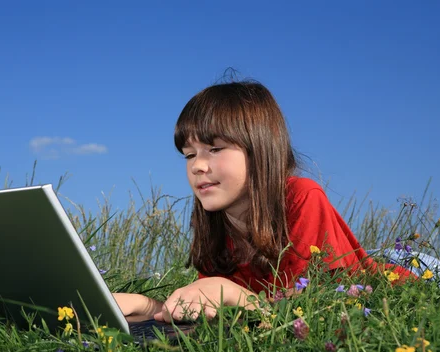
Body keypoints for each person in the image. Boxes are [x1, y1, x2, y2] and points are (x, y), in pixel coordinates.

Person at [113, 80, 415, 323]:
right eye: (189, 155)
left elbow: (308, 309)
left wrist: (229, 292)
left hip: (393, 279)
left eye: (215, 149)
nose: (197, 166)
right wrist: (148, 307)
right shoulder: (214, 218)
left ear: (259, 150)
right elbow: (216, 308)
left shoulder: (301, 198)